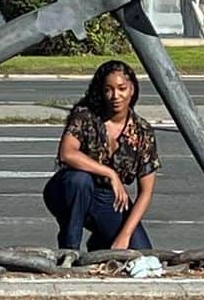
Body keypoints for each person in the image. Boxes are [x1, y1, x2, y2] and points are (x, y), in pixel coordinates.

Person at [42, 60, 159, 252]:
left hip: (107, 197)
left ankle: (100, 242)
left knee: (141, 252)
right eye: (108, 90)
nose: (115, 96)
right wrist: (110, 174)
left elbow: (146, 192)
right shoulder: (86, 116)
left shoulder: (142, 132)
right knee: (81, 180)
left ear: (132, 89)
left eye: (122, 88)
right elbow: (67, 153)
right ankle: (69, 249)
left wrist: (125, 235)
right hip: (69, 189)